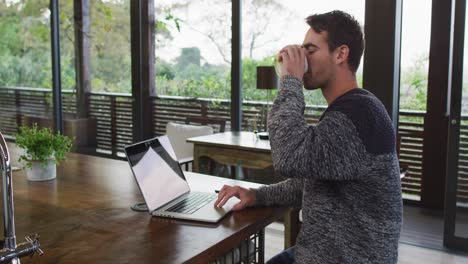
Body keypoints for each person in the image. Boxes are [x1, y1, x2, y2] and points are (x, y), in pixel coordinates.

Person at [214, 10, 402, 264]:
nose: (302, 59)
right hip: (319, 253)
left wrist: (291, 79)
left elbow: (288, 157)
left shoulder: (359, 115)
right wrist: (255, 195)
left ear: (340, 54)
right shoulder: (350, 110)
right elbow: (310, 180)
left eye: (310, 50)